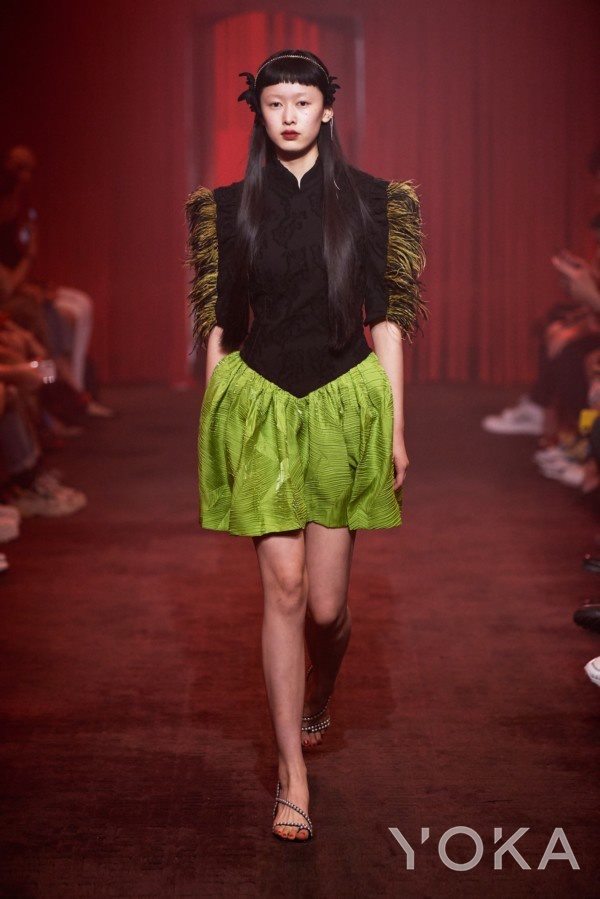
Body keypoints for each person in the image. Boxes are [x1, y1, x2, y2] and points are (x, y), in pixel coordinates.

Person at [185, 49, 428, 843]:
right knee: (283, 588)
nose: (289, 116)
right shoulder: (227, 208)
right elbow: (221, 327)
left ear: (327, 109)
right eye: (275, 103)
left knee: (326, 606)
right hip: (261, 404)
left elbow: (385, 321)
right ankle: (292, 771)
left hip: (341, 402)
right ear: (258, 112)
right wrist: (217, 419)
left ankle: (323, 686)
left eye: (303, 101)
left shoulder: (373, 201)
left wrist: (394, 428)